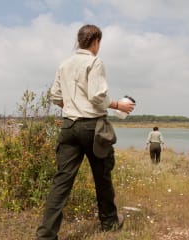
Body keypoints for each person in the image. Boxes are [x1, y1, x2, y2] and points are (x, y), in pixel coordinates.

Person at [36, 24, 136, 240]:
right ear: (96, 41)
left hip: (69, 126)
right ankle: (109, 223)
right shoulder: (94, 62)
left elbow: (55, 96)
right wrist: (119, 105)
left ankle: (45, 235)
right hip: (93, 127)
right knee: (102, 177)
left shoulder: (64, 64)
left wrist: (72, 106)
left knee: (62, 181)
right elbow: (97, 97)